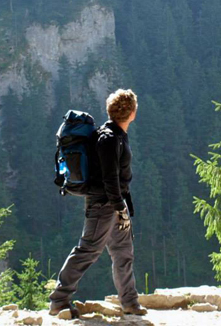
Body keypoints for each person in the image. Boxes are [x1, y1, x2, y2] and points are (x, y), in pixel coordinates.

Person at [49, 89, 147, 317]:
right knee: (88, 250)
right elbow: (109, 177)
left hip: (114, 203)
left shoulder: (117, 135)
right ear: (132, 113)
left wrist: (122, 205)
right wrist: (120, 207)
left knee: (123, 252)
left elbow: (118, 177)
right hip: (104, 205)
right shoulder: (108, 138)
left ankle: (130, 302)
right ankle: (59, 300)